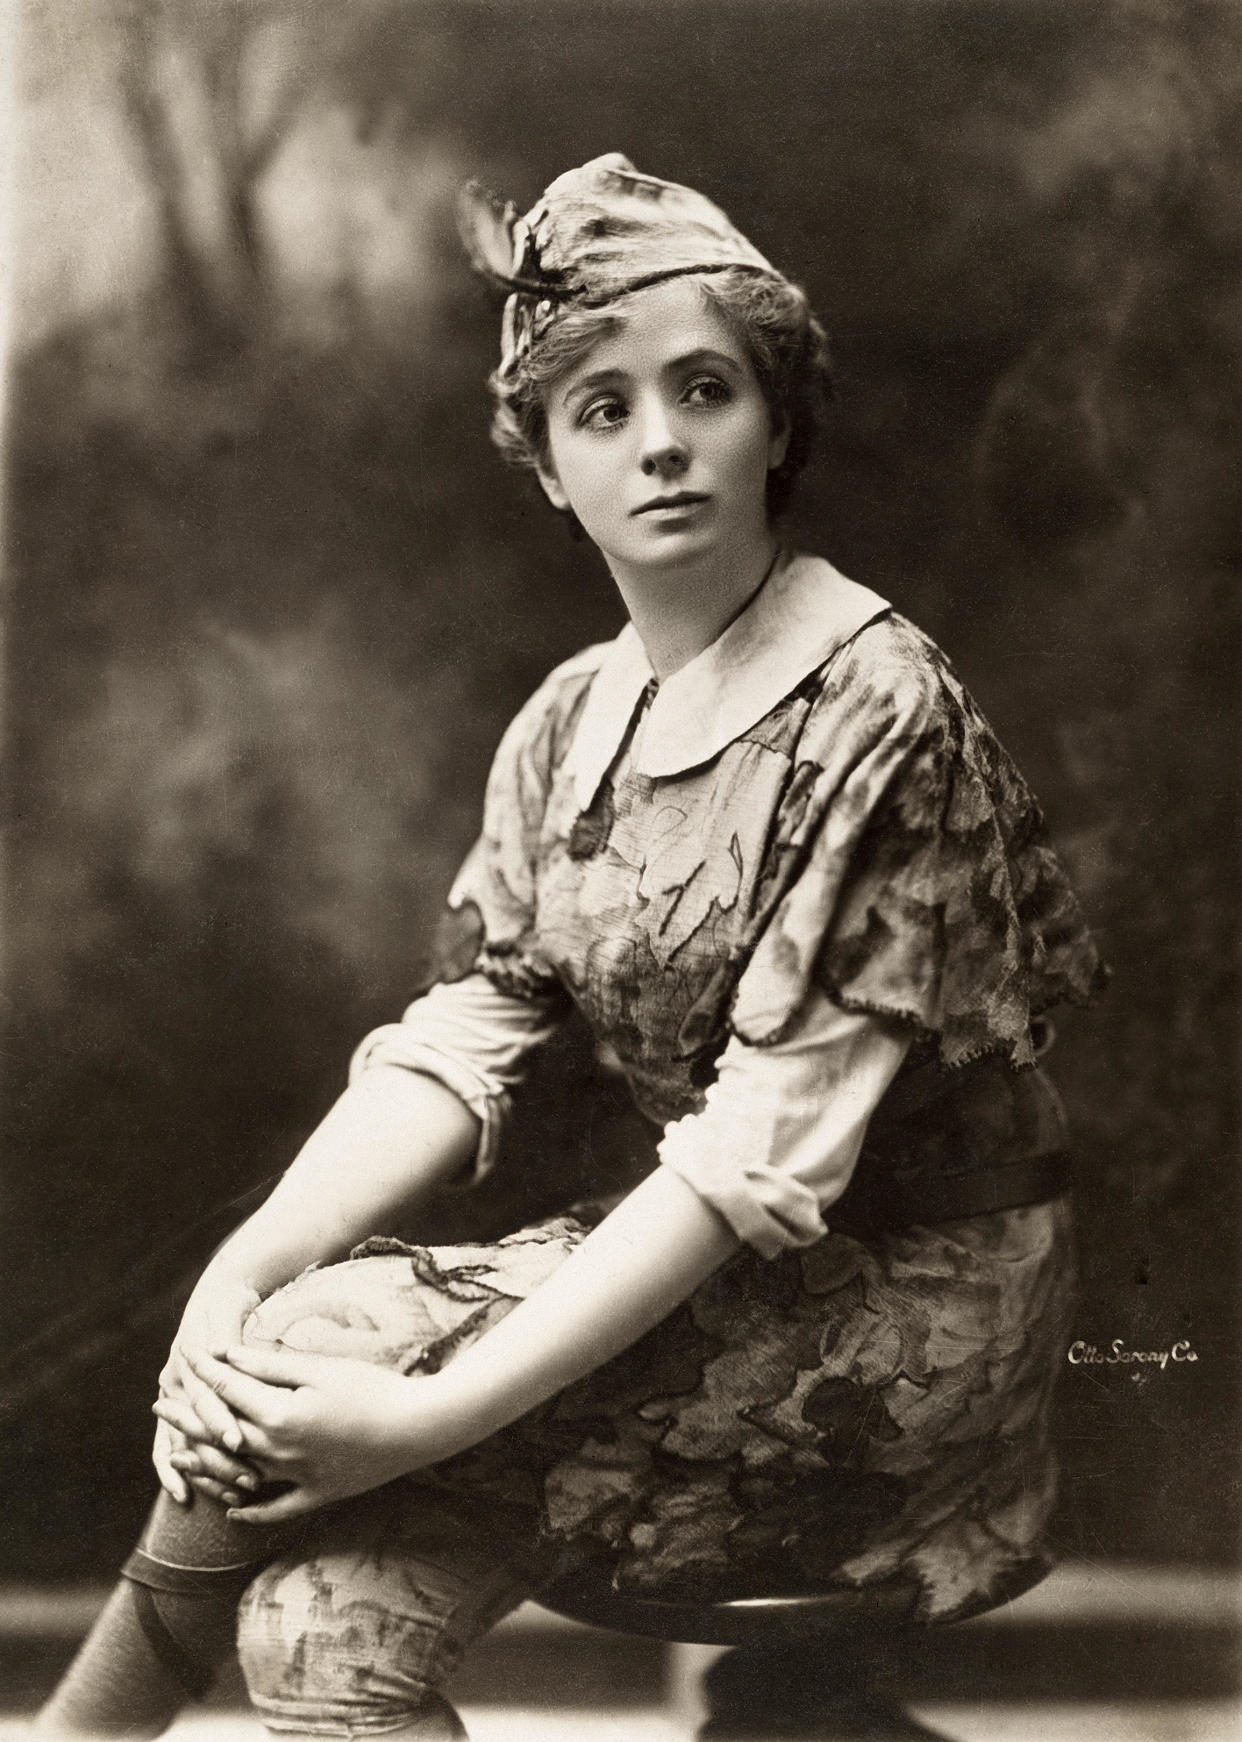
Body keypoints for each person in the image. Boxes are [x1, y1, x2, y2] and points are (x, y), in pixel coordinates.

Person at [29, 153, 1106, 1740]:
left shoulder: (879, 702)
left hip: (909, 1301)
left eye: (702, 388)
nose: (659, 440)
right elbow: (471, 1028)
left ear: (776, 419)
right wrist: (235, 1272)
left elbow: (758, 1149)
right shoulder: (566, 723)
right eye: (600, 409)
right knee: (319, 1634)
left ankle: (83, 1729)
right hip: (718, 1274)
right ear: (543, 463)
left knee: (333, 1334)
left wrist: (417, 1414)